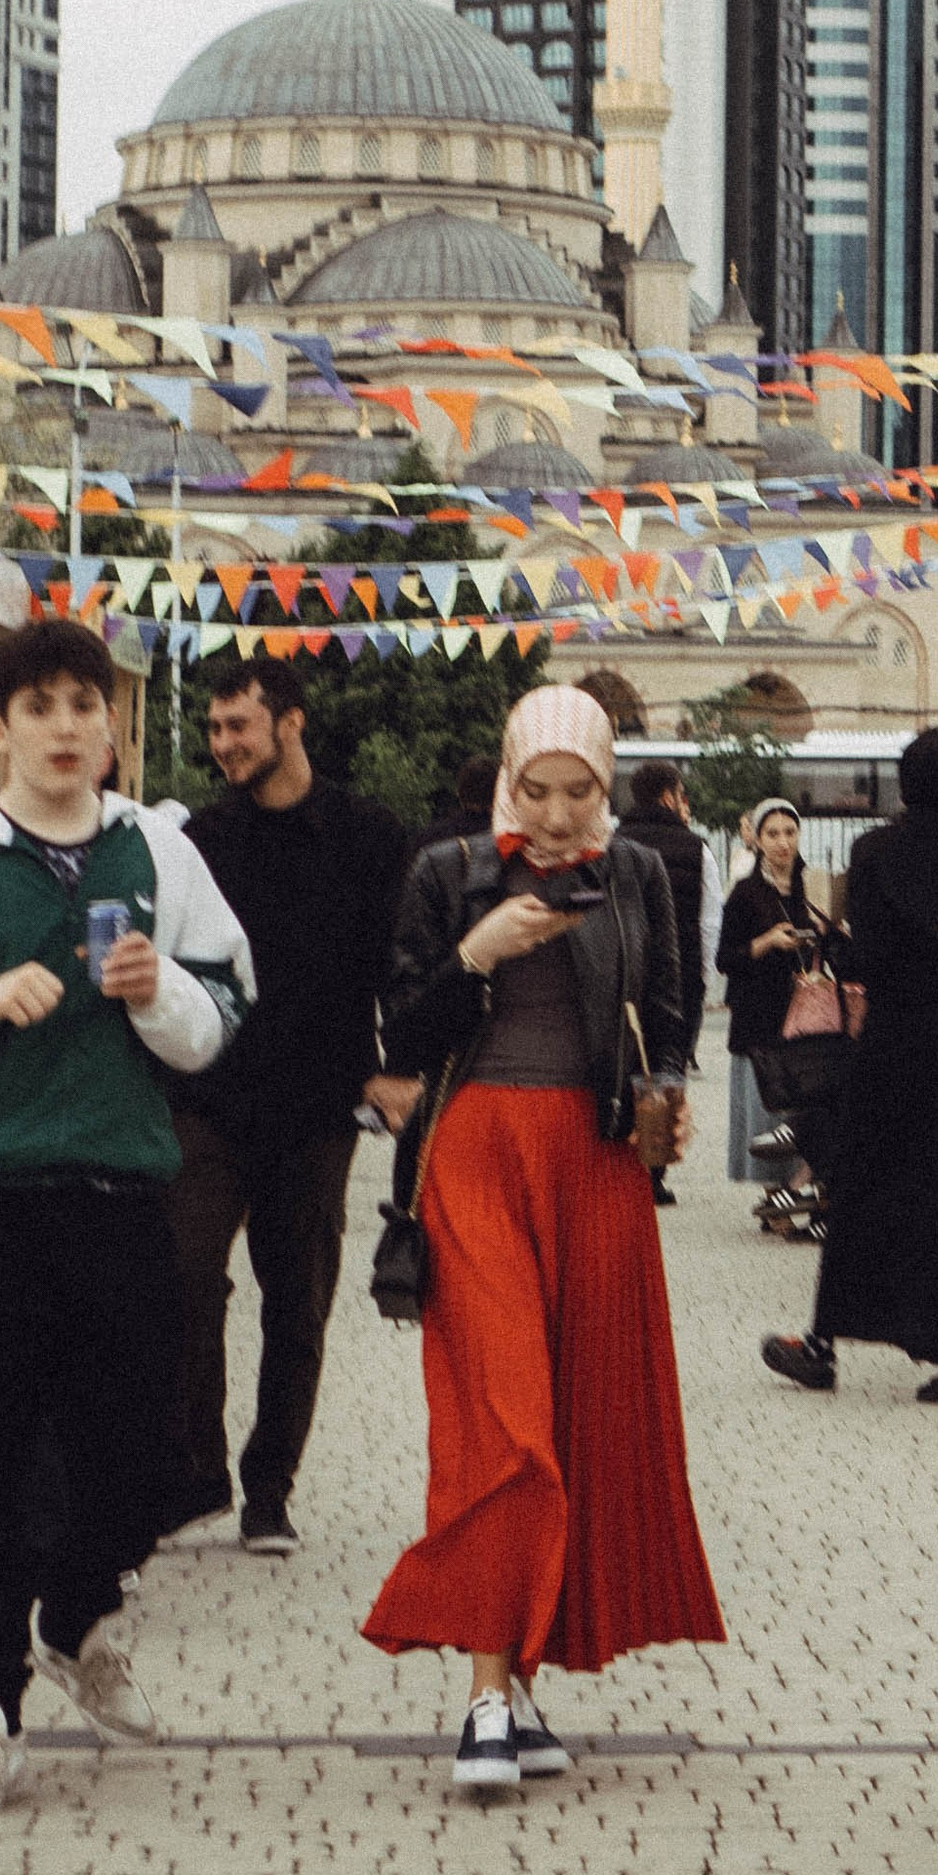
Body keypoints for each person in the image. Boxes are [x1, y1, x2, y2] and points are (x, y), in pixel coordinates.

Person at [0, 618, 255, 1817]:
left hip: (116, 1190)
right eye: (36, 707)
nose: (61, 727)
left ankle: (77, 1612)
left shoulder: (157, 847)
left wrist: (160, 995)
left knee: (145, 1449)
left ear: (110, 726)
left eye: (81, 705)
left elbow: (221, 1013)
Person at [363, 686, 721, 1790]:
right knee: (501, 1421)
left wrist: (667, 1096)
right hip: (475, 1157)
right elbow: (399, 1036)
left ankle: (516, 1676)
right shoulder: (447, 873)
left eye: (579, 791)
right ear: (507, 781)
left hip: (599, 1164)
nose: (558, 816)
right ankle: (483, 1699)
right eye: (537, 790)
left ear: (606, 787)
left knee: (573, 1421)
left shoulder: (638, 872)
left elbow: (670, 1012)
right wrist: (478, 952)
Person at [162, 656, 409, 1553]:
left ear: (291, 723)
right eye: (215, 729)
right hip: (208, 1099)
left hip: (318, 1105)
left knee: (296, 1302)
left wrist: (399, 1068)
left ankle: (270, 1489)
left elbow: (401, 963)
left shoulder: (368, 835)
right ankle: (196, 1473)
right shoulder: (198, 840)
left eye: (239, 726)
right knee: (184, 1278)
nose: (223, 744)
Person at [765, 728, 938, 1406]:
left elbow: (866, 956)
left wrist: (843, 951)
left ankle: (824, 1343)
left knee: (865, 1185)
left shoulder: (874, 851)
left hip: (890, 1044)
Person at [720, 798, 839, 1230]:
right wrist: (767, 942)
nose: (783, 842)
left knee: (807, 1110)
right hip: (760, 1019)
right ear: (757, 839)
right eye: (773, 833)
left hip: (807, 1021)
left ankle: (805, 1193)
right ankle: (775, 1199)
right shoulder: (745, 894)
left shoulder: (813, 889)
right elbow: (725, 959)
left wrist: (829, 934)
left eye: (790, 832)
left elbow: (836, 951)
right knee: (765, 1112)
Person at [618, 761, 719, 1206]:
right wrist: (704, 979)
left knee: (622, 1065)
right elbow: (710, 921)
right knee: (666, 1068)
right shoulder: (697, 849)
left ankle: (620, 1162)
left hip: (622, 976)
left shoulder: (611, 845)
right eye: (681, 794)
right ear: (668, 796)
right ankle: (654, 1173)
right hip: (678, 977)